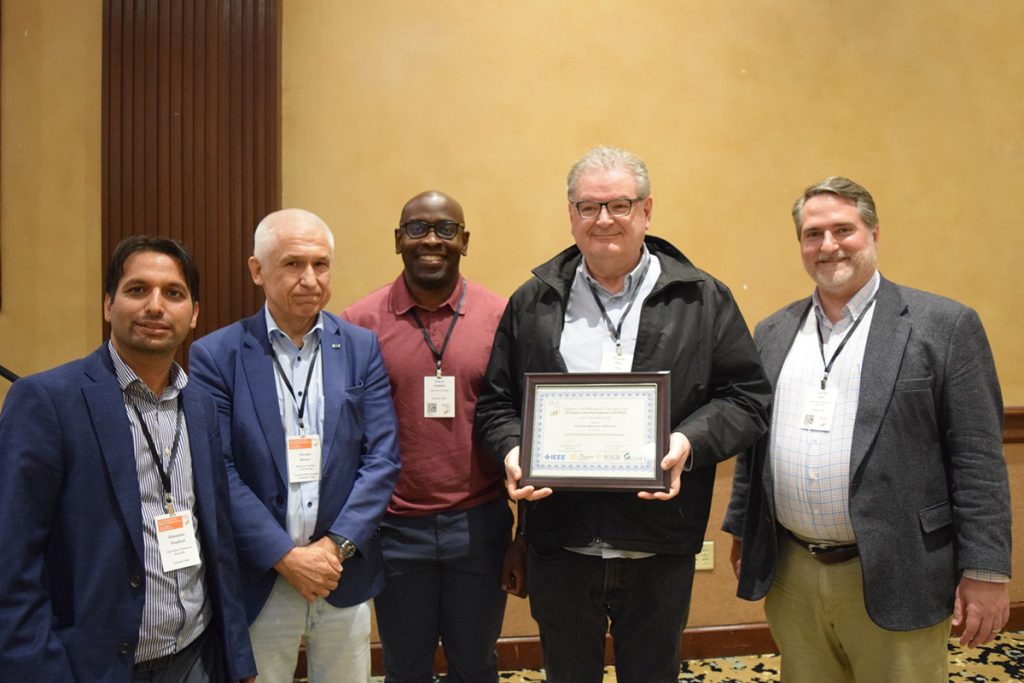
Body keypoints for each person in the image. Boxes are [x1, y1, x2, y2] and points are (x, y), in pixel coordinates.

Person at [474, 146, 771, 683]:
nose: (603, 219)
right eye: (588, 207)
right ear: (571, 215)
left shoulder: (702, 300)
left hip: (659, 544)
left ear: (647, 210)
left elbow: (747, 399)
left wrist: (688, 442)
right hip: (561, 544)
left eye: (618, 204)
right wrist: (516, 450)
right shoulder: (533, 302)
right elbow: (496, 404)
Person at [723, 176, 1012, 682]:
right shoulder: (773, 332)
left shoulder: (942, 326)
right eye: (813, 234)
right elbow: (755, 445)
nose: (828, 245)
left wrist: (986, 571)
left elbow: (978, 459)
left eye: (843, 229)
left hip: (899, 568)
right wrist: (742, 530)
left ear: (874, 235)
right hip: (793, 571)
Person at [0, 236, 256, 682]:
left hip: (197, 657)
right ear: (107, 305)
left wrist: (237, 657)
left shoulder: (200, 406)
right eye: (137, 290)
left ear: (194, 313)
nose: (155, 306)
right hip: (93, 668)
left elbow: (217, 540)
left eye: (173, 293)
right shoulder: (47, 402)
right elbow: (11, 563)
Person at [189, 208, 401, 683]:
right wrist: (287, 557)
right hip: (263, 576)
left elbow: (382, 458)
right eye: (292, 264)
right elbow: (217, 468)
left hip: (340, 572)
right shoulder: (216, 356)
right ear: (257, 270)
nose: (309, 278)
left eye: (320, 264)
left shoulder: (361, 347)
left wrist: (335, 547)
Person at [343, 190, 517, 683]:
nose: (431, 240)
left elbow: (521, 426)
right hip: (394, 529)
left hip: (479, 526)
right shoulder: (359, 324)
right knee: (405, 668)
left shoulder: (502, 318)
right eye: (417, 228)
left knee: (476, 665)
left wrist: (524, 535)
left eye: (445, 229)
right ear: (398, 240)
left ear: (465, 240)